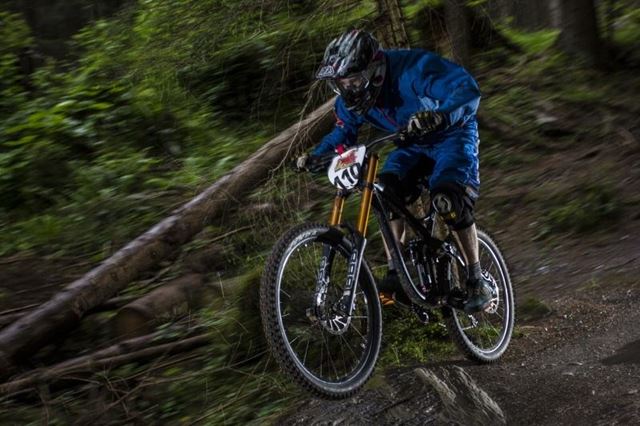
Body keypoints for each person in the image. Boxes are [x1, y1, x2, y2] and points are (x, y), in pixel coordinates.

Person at [297, 29, 493, 313]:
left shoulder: (413, 68)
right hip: (411, 145)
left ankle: (476, 279)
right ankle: (396, 271)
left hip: (452, 136)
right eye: (342, 84)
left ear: (374, 71)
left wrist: (441, 115)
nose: (349, 89)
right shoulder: (351, 100)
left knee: (448, 199)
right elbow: (343, 133)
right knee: (386, 192)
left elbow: (466, 89)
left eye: (354, 81)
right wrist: (318, 157)